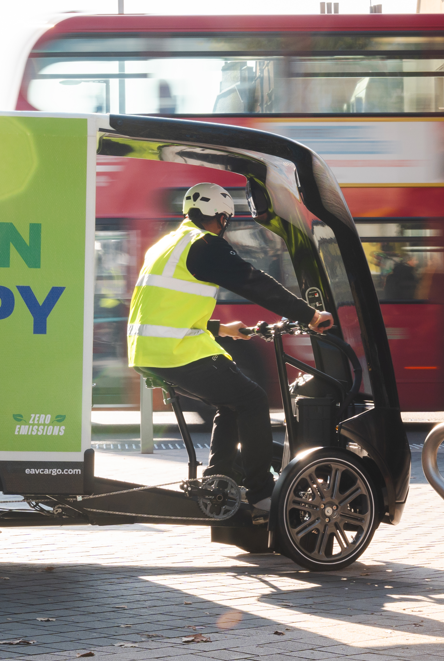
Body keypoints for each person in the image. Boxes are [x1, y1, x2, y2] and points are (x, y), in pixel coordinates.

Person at [127, 182, 333, 510]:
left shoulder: (167, 243)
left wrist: (221, 328)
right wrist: (309, 314)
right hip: (173, 350)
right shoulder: (204, 244)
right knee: (252, 399)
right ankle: (262, 492)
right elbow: (253, 281)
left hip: (149, 349)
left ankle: (218, 479)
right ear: (221, 218)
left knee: (232, 402)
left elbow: (163, 308)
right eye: (226, 221)